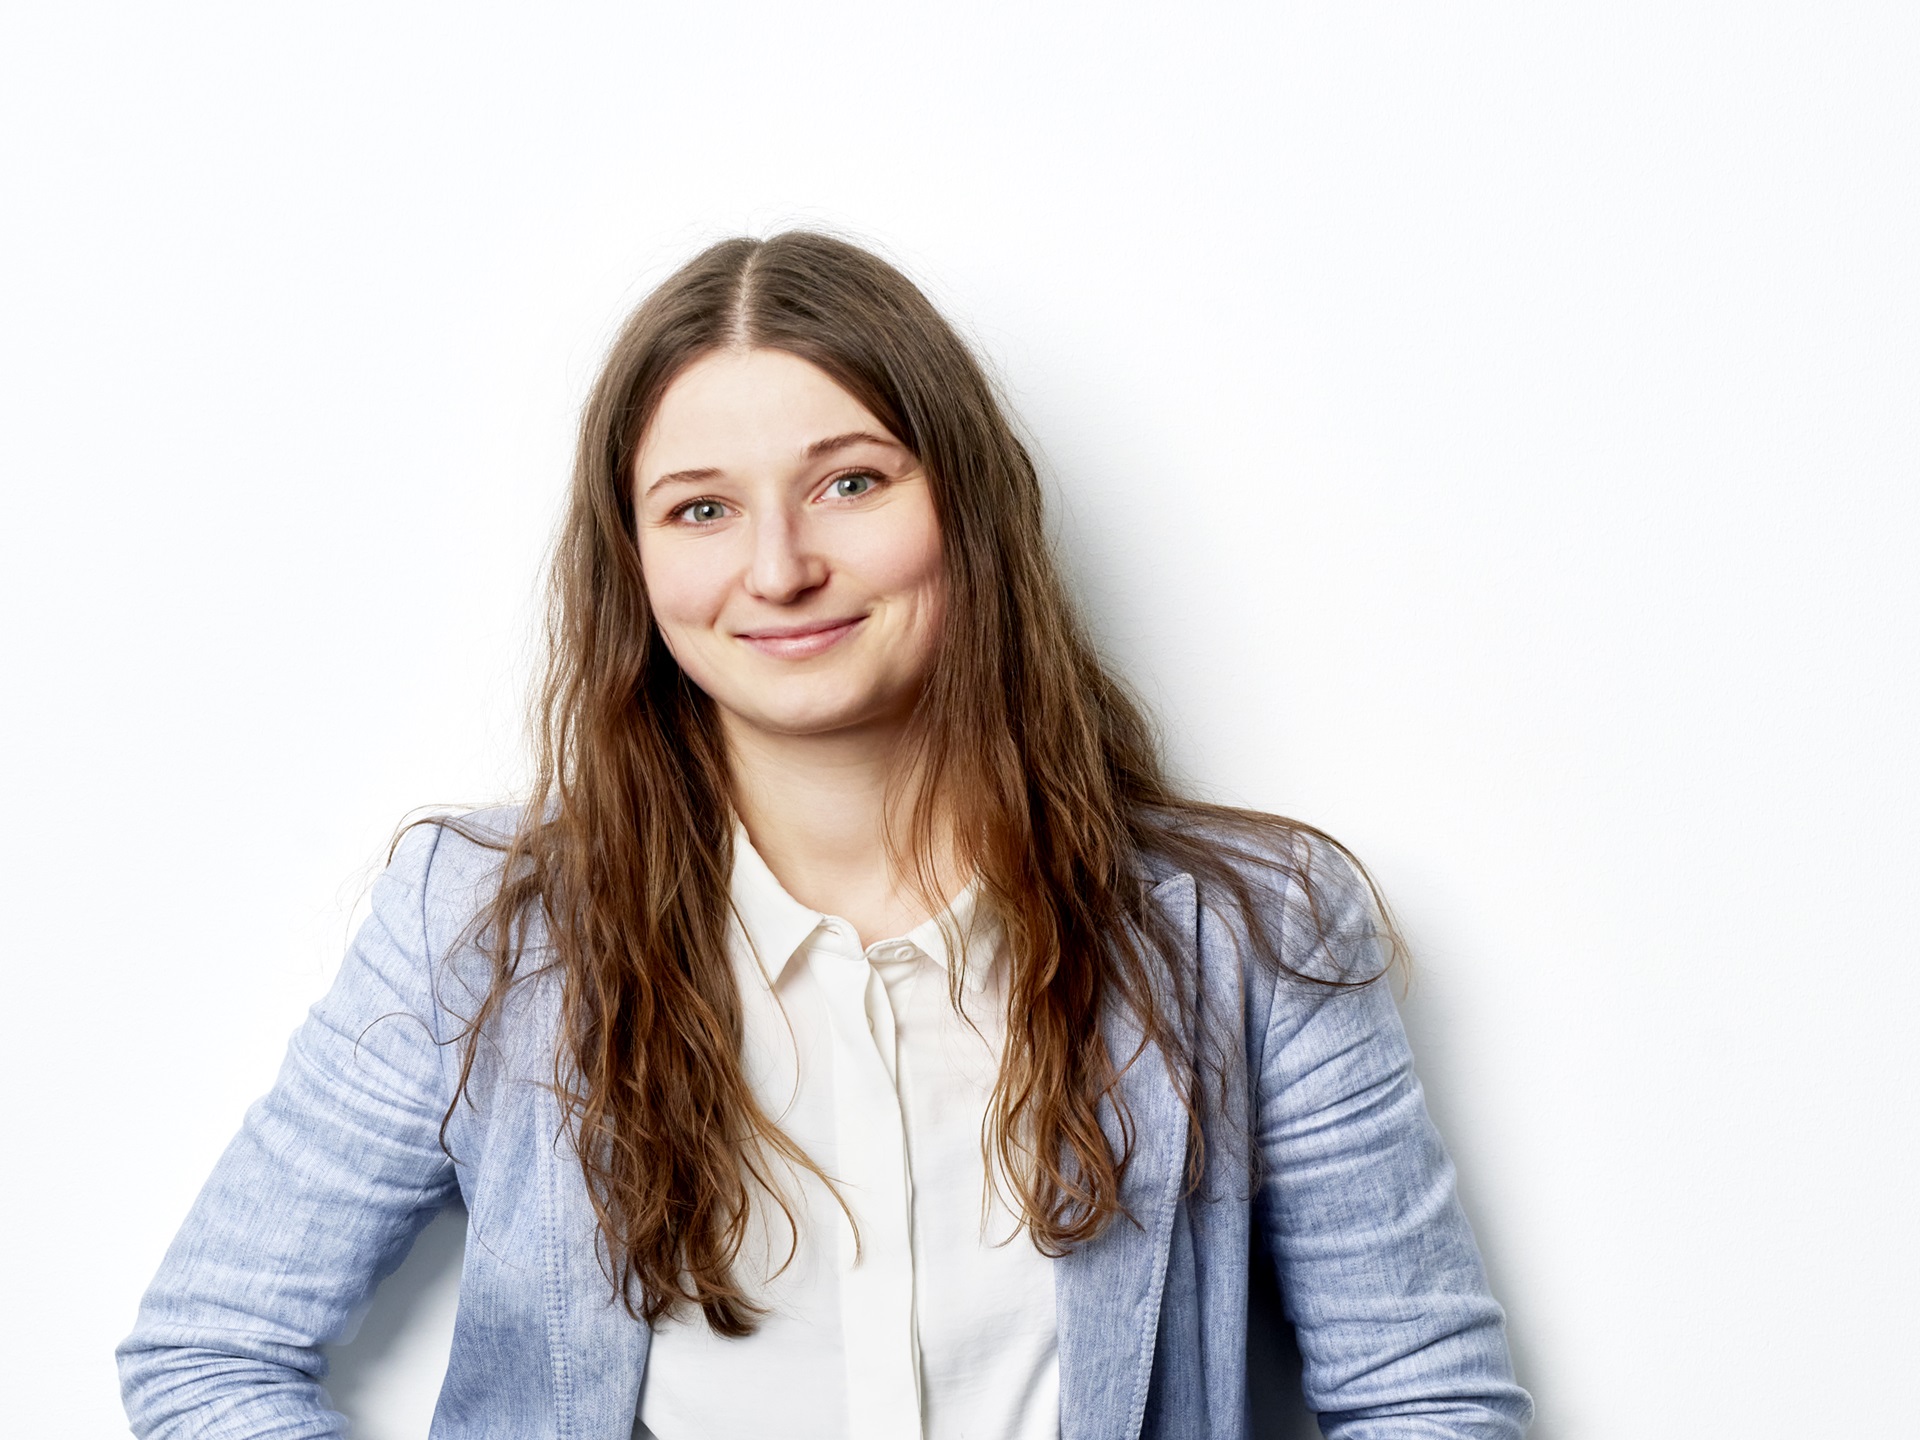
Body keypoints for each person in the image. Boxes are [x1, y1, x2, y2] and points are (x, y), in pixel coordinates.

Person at [117, 231, 1534, 1439]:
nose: (780, 566)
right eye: (702, 509)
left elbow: (1425, 1395)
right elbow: (210, 1349)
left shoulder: (1252, 931)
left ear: (965, 505)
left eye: (851, 483)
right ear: (634, 564)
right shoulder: (480, 925)